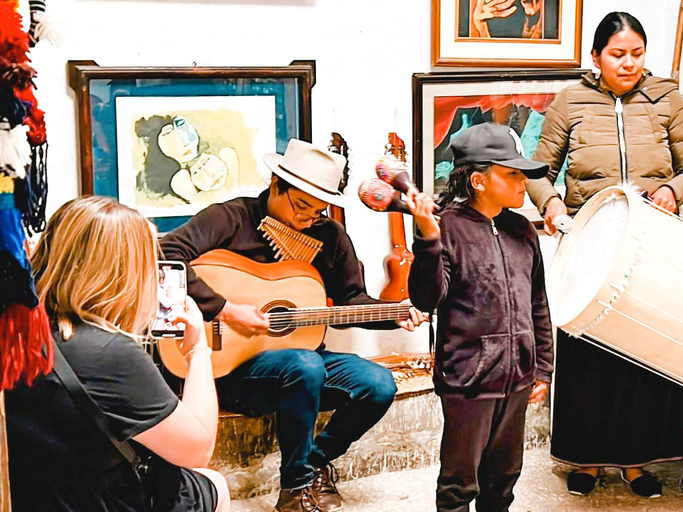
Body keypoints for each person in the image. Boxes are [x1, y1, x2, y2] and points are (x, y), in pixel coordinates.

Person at [160, 139, 427, 512]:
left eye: (318, 212)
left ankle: (314, 465)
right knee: (305, 365)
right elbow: (164, 257)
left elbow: (352, 300)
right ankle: (295, 490)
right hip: (231, 368)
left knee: (378, 384)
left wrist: (393, 312)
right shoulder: (230, 218)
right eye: (302, 207)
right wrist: (225, 309)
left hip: (303, 364)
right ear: (275, 186)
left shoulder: (329, 236)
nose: (308, 220)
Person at [526, 11, 683, 498]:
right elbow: (537, 170)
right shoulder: (571, 101)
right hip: (592, 240)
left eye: (637, 54)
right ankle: (585, 459)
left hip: (652, 241)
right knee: (591, 351)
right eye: (617, 54)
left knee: (643, 350)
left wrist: (672, 189)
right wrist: (552, 202)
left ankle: (637, 461)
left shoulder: (666, 98)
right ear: (596, 57)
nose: (628, 63)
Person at [5, 196, 230, 512]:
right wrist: (197, 350)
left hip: (34, 494)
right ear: (122, 275)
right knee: (213, 483)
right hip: (97, 499)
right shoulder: (108, 353)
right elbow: (198, 447)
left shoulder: (18, 330)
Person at [407, 122, 554, 512]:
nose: (523, 183)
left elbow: (537, 301)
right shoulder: (446, 228)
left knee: (503, 481)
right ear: (478, 180)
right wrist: (426, 237)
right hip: (468, 380)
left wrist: (543, 367)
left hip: (518, 377)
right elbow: (427, 298)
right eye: (512, 174)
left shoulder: (522, 229)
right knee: (459, 485)